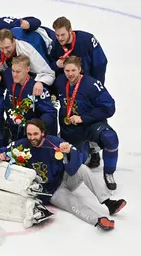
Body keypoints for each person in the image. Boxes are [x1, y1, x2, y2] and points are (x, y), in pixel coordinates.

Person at [0, 119, 126, 231]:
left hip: (64, 179)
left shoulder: (54, 142)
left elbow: (75, 163)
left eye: (35, 134)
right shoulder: (21, 144)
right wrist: (0, 155)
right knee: (73, 204)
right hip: (52, 192)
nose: (32, 137)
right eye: (29, 134)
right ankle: (98, 220)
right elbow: (2, 150)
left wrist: (69, 152)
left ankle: (109, 203)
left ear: (43, 133)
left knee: (83, 169)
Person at [54, 56, 118, 190]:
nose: (70, 74)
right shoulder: (60, 82)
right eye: (67, 70)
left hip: (91, 125)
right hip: (71, 131)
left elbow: (109, 107)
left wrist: (84, 118)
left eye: (73, 70)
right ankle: (89, 150)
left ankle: (109, 173)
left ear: (80, 69)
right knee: (76, 167)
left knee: (111, 138)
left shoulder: (92, 85)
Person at [2, 55, 57, 142]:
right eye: (13, 71)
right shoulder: (11, 84)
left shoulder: (37, 88)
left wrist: (37, 126)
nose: (14, 75)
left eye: (18, 72)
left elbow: (51, 112)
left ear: (27, 70)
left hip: (32, 136)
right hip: (14, 132)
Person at [51, 16, 108, 84]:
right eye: (57, 35)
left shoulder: (87, 40)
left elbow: (100, 64)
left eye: (63, 35)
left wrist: (96, 85)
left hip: (88, 85)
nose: (60, 38)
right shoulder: (55, 44)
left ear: (70, 30)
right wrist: (56, 65)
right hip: (68, 89)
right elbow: (49, 67)